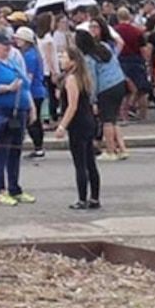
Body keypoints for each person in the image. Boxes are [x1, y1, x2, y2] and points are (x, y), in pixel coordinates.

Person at [0, 29, 33, 205]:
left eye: (9, 45)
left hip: (18, 110)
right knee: (1, 151)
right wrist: (7, 88)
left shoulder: (12, 62)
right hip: (0, 110)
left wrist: (30, 105)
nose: (7, 48)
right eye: (4, 45)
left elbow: (25, 84)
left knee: (15, 151)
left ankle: (14, 187)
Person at [53, 25, 103, 210]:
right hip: (88, 120)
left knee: (80, 162)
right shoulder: (82, 76)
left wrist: (62, 126)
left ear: (73, 61)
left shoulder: (72, 79)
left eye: (64, 57)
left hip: (79, 123)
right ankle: (94, 198)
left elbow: (72, 105)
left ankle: (82, 198)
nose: (61, 59)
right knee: (90, 161)